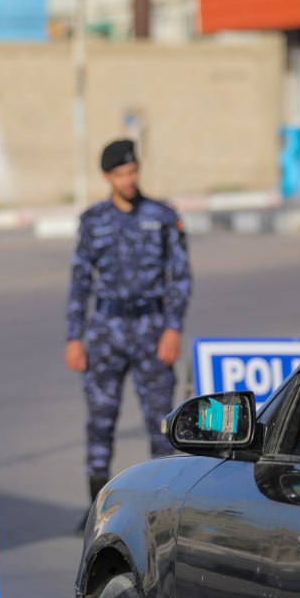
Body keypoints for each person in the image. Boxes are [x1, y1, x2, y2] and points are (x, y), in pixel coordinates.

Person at [65, 139, 192, 528]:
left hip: (151, 329)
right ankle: (97, 508)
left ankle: (162, 508)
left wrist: (173, 329)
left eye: (133, 171)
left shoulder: (163, 216)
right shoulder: (93, 221)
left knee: (160, 420)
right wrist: (74, 336)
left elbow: (181, 277)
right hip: (106, 330)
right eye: (121, 173)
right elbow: (80, 282)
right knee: (100, 420)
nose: (129, 179)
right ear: (107, 177)